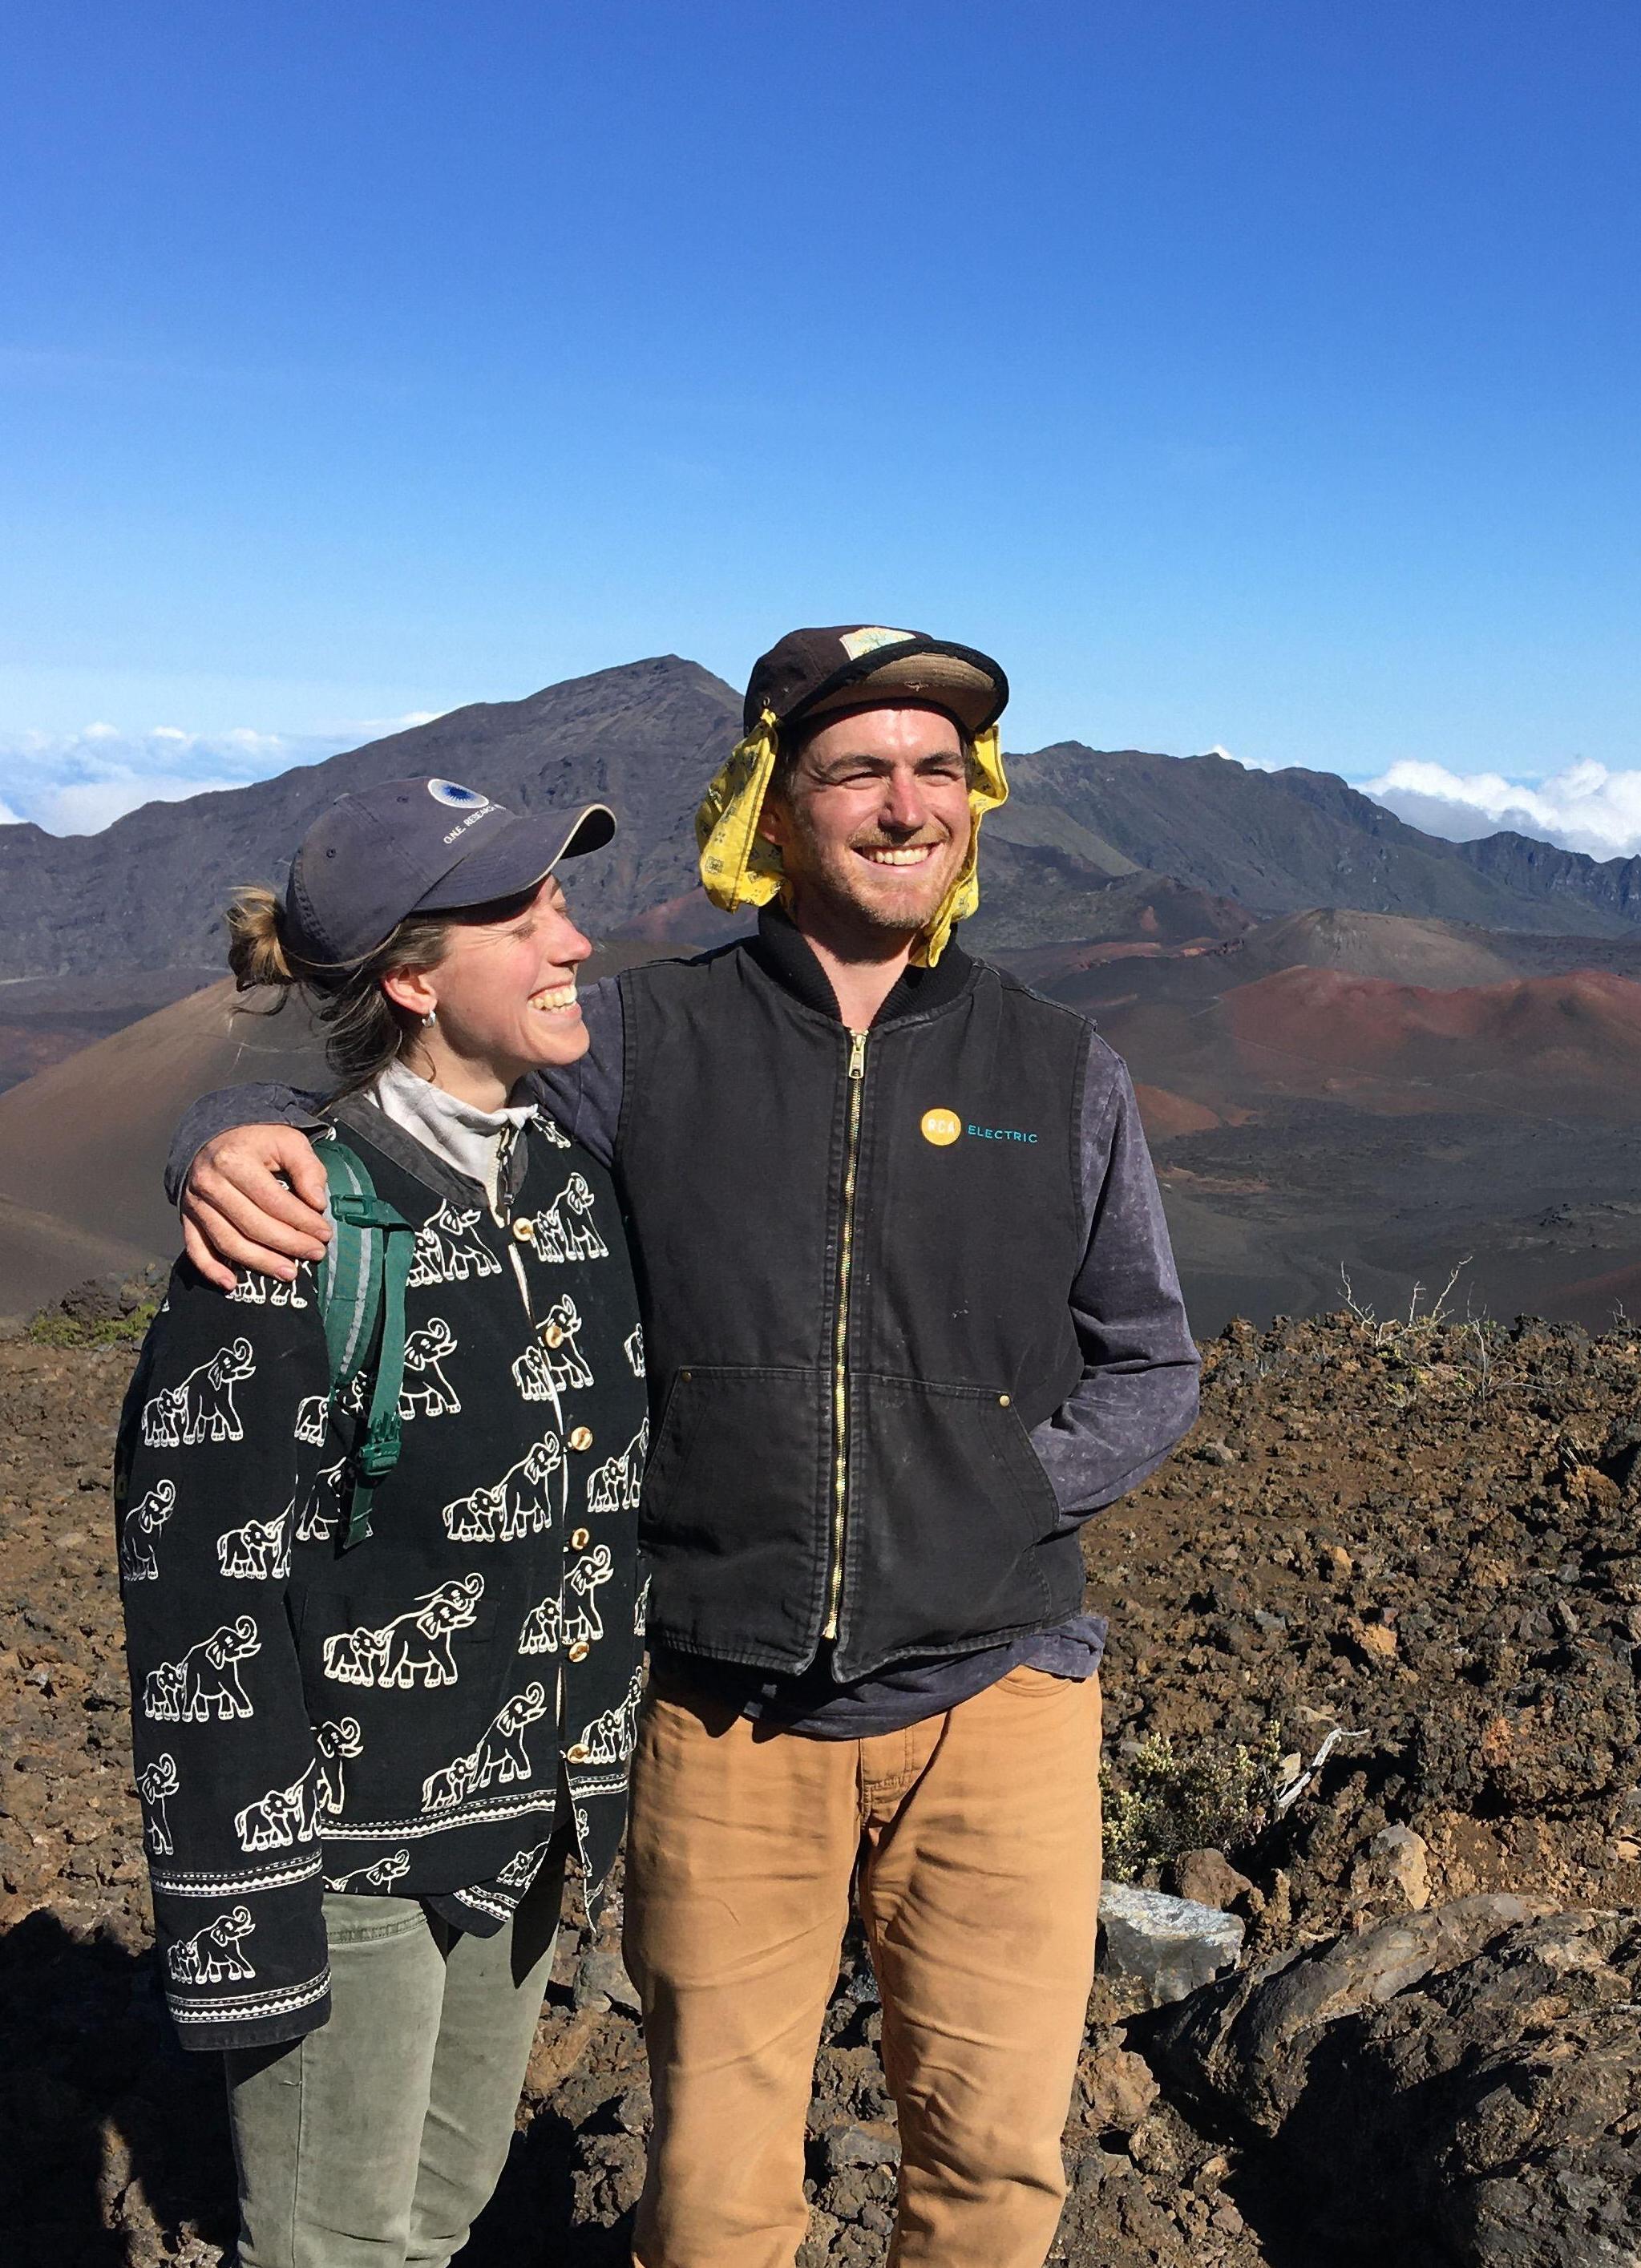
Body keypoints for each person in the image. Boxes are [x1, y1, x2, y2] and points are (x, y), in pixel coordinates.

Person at [169, 626, 1202, 2268]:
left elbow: (1148, 1362)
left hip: (1000, 1694)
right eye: (857, 768)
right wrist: (228, 1141)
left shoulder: (1061, 1067)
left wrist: (987, 1500)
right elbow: (414, 1106)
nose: (905, 803)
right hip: (722, 1706)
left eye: (939, 770)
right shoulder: (644, 1044)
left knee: (993, 2171)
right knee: (713, 2192)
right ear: (772, 810)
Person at [120, 777, 649, 2267]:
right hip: (345, 1850)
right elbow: (197, 1600)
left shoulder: (565, 1182)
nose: (574, 942)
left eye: (559, 904)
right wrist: (243, 1909)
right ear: (412, 979)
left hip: (526, 1821)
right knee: (334, 2243)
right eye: (524, 915)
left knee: (436, 2218)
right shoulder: (297, 1229)